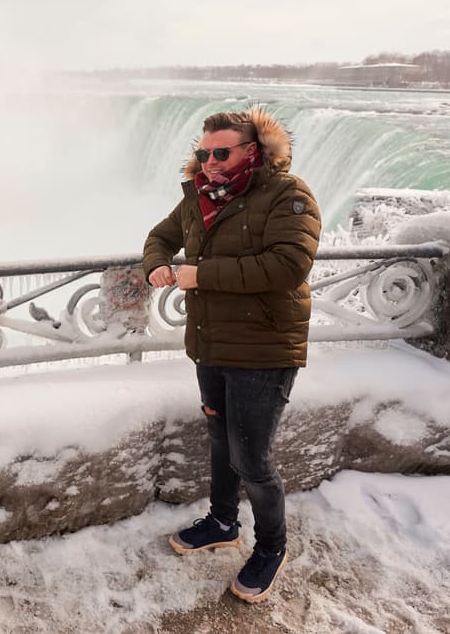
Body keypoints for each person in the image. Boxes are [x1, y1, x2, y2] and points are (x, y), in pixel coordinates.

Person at [142, 109, 320, 604]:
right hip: (211, 344)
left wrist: (202, 275)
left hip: (264, 348)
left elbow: (289, 265)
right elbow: (160, 237)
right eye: (204, 153)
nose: (211, 163)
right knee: (220, 438)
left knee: (253, 459)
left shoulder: (289, 196)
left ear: (253, 151)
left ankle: (271, 547)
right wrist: (157, 264)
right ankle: (223, 521)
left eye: (222, 153)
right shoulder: (200, 196)